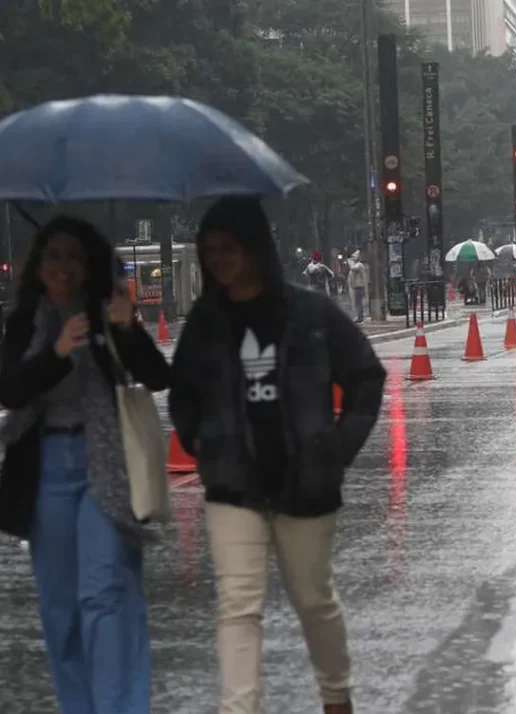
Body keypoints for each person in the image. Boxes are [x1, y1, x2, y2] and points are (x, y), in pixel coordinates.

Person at [169, 197, 386, 714]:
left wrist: (336, 449)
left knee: (313, 600)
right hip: (232, 486)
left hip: (306, 482)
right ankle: (238, 707)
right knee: (239, 606)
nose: (219, 259)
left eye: (229, 247)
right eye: (210, 250)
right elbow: (182, 392)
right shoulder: (206, 321)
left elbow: (366, 377)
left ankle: (336, 697)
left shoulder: (311, 312)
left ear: (255, 247)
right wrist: (199, 438)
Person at [0, 217, 170, 714]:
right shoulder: (25, 319)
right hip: (46, 467)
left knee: (105, 594)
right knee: (61, 609)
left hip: (106, 464)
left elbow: (158, 376)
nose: (63, 267)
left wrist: (125, 327)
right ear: (39, 265)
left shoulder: (106, 312)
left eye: (74, 257)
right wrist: (55, 353)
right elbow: (9, 388)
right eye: (53, 256)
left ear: (89, 264)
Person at [346, 250, 369, 324]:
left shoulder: (359, 265)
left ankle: (360, 317)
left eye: (353, 257)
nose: (352, 258)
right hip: (356, 287)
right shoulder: (357, 265)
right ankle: (359, 316)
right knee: (357, 303)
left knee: (359, 303)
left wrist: (349, 261)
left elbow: (353, 268)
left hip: (359, 287)